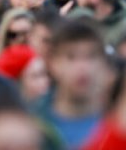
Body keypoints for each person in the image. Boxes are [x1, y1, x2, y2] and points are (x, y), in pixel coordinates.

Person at [33, 19, 110, 149]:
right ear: (53, 64)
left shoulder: (121, 120)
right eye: (71, 57)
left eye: (91, 56)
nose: (82, 67)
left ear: (103, 63)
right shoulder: (33, 122)